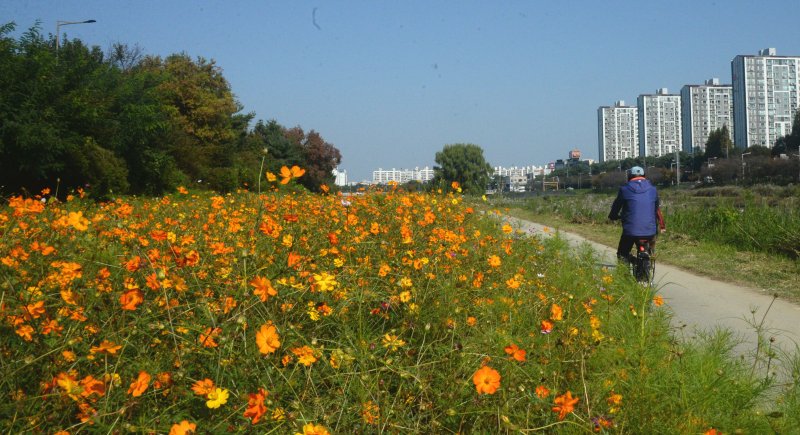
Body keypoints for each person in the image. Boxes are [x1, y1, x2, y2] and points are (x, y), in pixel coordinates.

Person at [608, 166, 665, 262]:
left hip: (630, 230)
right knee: (649, 246)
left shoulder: (624, 189)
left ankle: (625, 275)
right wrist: (662, 226)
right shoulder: (653, 189)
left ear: (629, 177)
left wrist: (613, 216)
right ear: (644, 176)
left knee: (623, 254)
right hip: (650, 230)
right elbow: (656, 209)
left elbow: (616, 206)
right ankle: (649, 256)